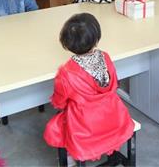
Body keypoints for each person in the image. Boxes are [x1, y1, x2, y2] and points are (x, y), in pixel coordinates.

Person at [44, 13, 135, 163]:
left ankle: (70, 158)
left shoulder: (66, 73)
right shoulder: (105, 57)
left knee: (56, 125)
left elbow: (59, 102)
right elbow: (114, 83)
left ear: (67, 43)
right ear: (97, 38)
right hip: (115, 117)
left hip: (86, 128)